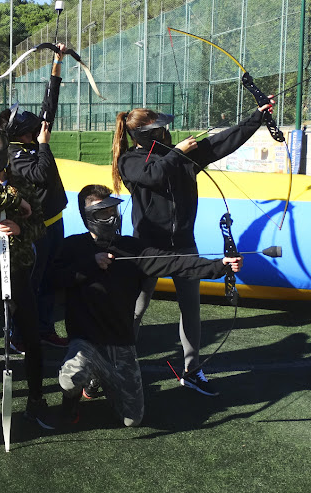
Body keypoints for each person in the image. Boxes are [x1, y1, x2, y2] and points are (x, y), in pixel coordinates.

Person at [111, 98, 274, 396]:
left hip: (184, 244)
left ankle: (192, 369)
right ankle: (118, 365)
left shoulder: (179, 156)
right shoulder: (130, 161)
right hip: (148, 249)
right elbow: (154, 175)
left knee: (191, 309)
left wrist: (257, 117)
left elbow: (222, 143)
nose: (165, 132)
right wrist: (178, 153)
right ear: (145, 135)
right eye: (159, 129)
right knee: (136, 309)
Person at [53, 184, 243, 426]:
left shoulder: (132, 248)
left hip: (120, 343)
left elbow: (176, 263)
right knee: (71, 377)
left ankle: (101, 379)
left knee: (132, 419)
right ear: (88, 217)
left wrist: (219, 266)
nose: (111, 218)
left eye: (112, 211)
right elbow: (53, 281)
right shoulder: (72, 247)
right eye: (103, 213)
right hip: (85, 341)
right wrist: (90, 264)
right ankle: (70, 405)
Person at [0, 124, 54, 431]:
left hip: (18, 271)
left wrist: (20, 228)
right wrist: (16, 203)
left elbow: (40, 225)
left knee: (31, 337)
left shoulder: (23, 182)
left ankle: (36, 400)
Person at [0, 43, 69, 350]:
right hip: (35, 229)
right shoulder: (14, 155)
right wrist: (44, 145)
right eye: (31, 130)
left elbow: (48, 108)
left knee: (50, 281)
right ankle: (18, 334)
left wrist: (56, 65)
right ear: (19, 134)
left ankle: (44, 329)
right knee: (31, 283)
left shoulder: (27, 142)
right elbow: (40, 173)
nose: (37, 129)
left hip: (55, 222)